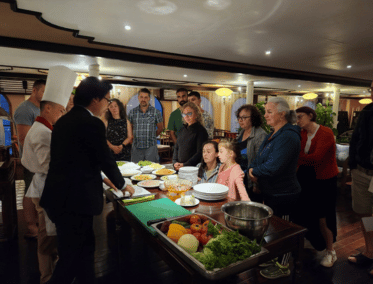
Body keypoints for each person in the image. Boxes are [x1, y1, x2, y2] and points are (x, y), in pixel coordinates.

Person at [40, 77, 134, 284]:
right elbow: (105, 158)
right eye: (107, 100)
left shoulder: (63, 120)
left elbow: (81, 158)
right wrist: (123, 184)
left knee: (83, 251)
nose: (108, 105)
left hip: (60, 197)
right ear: (95, 99)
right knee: (70, 260)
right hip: (74, 200)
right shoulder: (92, 123)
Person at [21, 66, 76, 283]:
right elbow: (48, 166)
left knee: (52, 237)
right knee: (46, 239)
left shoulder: (43, 128)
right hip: (45, 189)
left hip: (45, 187)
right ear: (49, 108)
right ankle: (47, 277)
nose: (62, 114)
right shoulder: (42, 133)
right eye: (61, 110)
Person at [248, 97, 301, 279]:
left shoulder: (288, 135)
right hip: (271, 191)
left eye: (270, 112)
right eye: (266, 111)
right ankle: (276, 258)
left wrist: (254, 171)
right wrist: (252, 169)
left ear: (282, 114)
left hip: (284, 193)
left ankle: (284, 265)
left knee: (284, 231)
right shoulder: (274, 133)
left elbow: (274, 166)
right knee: (274, 229)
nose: (266, 115)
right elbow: (259, 159)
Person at [295, 106, 339, 268]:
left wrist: (298, 158)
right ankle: (311, 241)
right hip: (307, 178)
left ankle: (330, 251)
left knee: (324, 215)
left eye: (300, 117)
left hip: (324, 180)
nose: (298, 120)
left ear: (310, 115)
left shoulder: (326, 132)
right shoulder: (302, 133)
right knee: (304, 211)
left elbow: (317, 158)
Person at [14, 79, 46, 239]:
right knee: (29, 191)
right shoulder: (25, 109)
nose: (46, 95)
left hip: (40, 159)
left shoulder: (39, 108)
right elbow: (23, 138)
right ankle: (31, 226)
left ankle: (37, 222)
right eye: (43, 91)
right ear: (34, 90)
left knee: (37, 191)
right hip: (31, 159)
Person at [347, 82, 373, 276]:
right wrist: (353, 164)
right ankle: (369, 252)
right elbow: (356, 138)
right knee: (364, 214)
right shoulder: (367, 111)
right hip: (362, 171)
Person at [235, 104, 267, 201]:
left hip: (250, 181)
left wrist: (256, 184)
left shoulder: (260, 135)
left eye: (244, 117)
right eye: (239, 117)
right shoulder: (242, 132)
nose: (240, 120)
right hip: (240, 177)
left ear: (253, 118)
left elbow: (260, 161)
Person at [128, 88, 163, 163]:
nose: (143, 99)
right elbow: (129, 129)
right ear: (138, 98)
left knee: (153, 169)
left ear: (149, 98)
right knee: (136, 170)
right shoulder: (132, 112)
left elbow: (160, 128)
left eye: (145, 97)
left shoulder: (156, 112)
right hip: (136, 148)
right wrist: (131, 140)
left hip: (151, 148)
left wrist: (152, 136)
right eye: (141, 97)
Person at [173, 102, 208, 171]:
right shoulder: (182, 129)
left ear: (196, 114)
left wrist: (185, 164)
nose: (186, 116)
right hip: (179, 167)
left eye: (189, 113)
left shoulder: (201, 131)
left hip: (193, 168)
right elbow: (176, 148)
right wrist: (174, 162)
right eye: (184, 114)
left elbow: (200, 152)